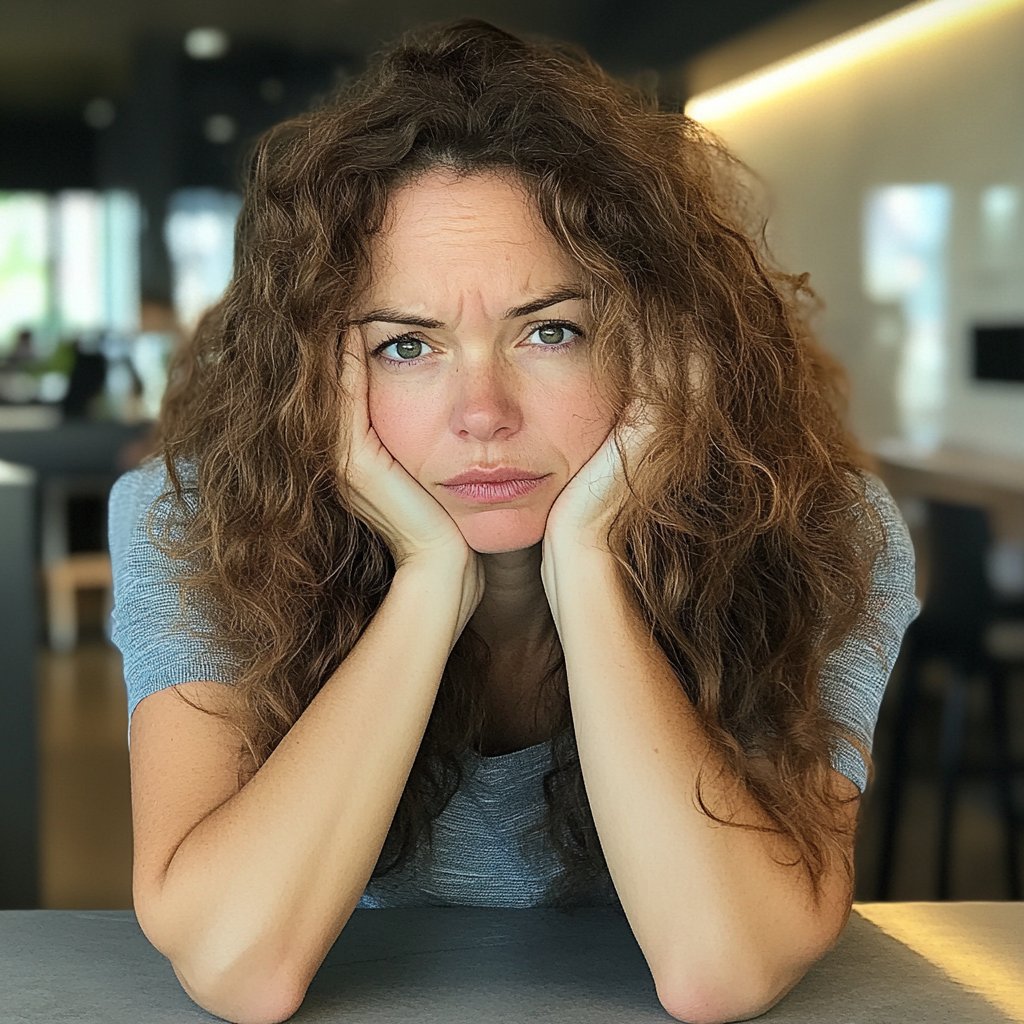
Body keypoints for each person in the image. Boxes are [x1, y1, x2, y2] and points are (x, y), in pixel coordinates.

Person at [110, 20, 918, 1024]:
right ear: (314, 376)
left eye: (551, 330)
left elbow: (723, 969)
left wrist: (586, 560)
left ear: (662, 350)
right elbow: (238, 967)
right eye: (408, 345)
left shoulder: (820, 530)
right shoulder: (191, 520)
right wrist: (426, 581)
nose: (483, 412)